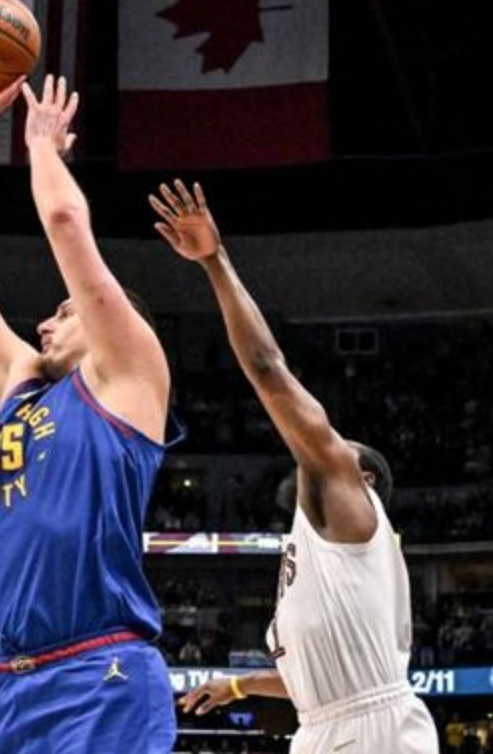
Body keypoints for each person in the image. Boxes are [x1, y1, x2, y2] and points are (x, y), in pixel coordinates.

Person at [0, 75, 180, 754]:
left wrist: (41, 146)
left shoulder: (131, 375)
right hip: (6, 687)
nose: (43, 324)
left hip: (99, 671)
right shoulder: (18, 386)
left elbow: (67, 222)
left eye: (64, 311)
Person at [157, 182, 438, 753]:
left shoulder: (347, 504)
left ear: (362, 481)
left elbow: (267, 367)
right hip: (327, 726)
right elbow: (316, 687)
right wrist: (239, 686)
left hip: (372, 731)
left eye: (340, 446)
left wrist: (214, 261)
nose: (321, 447)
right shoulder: (322, 552)